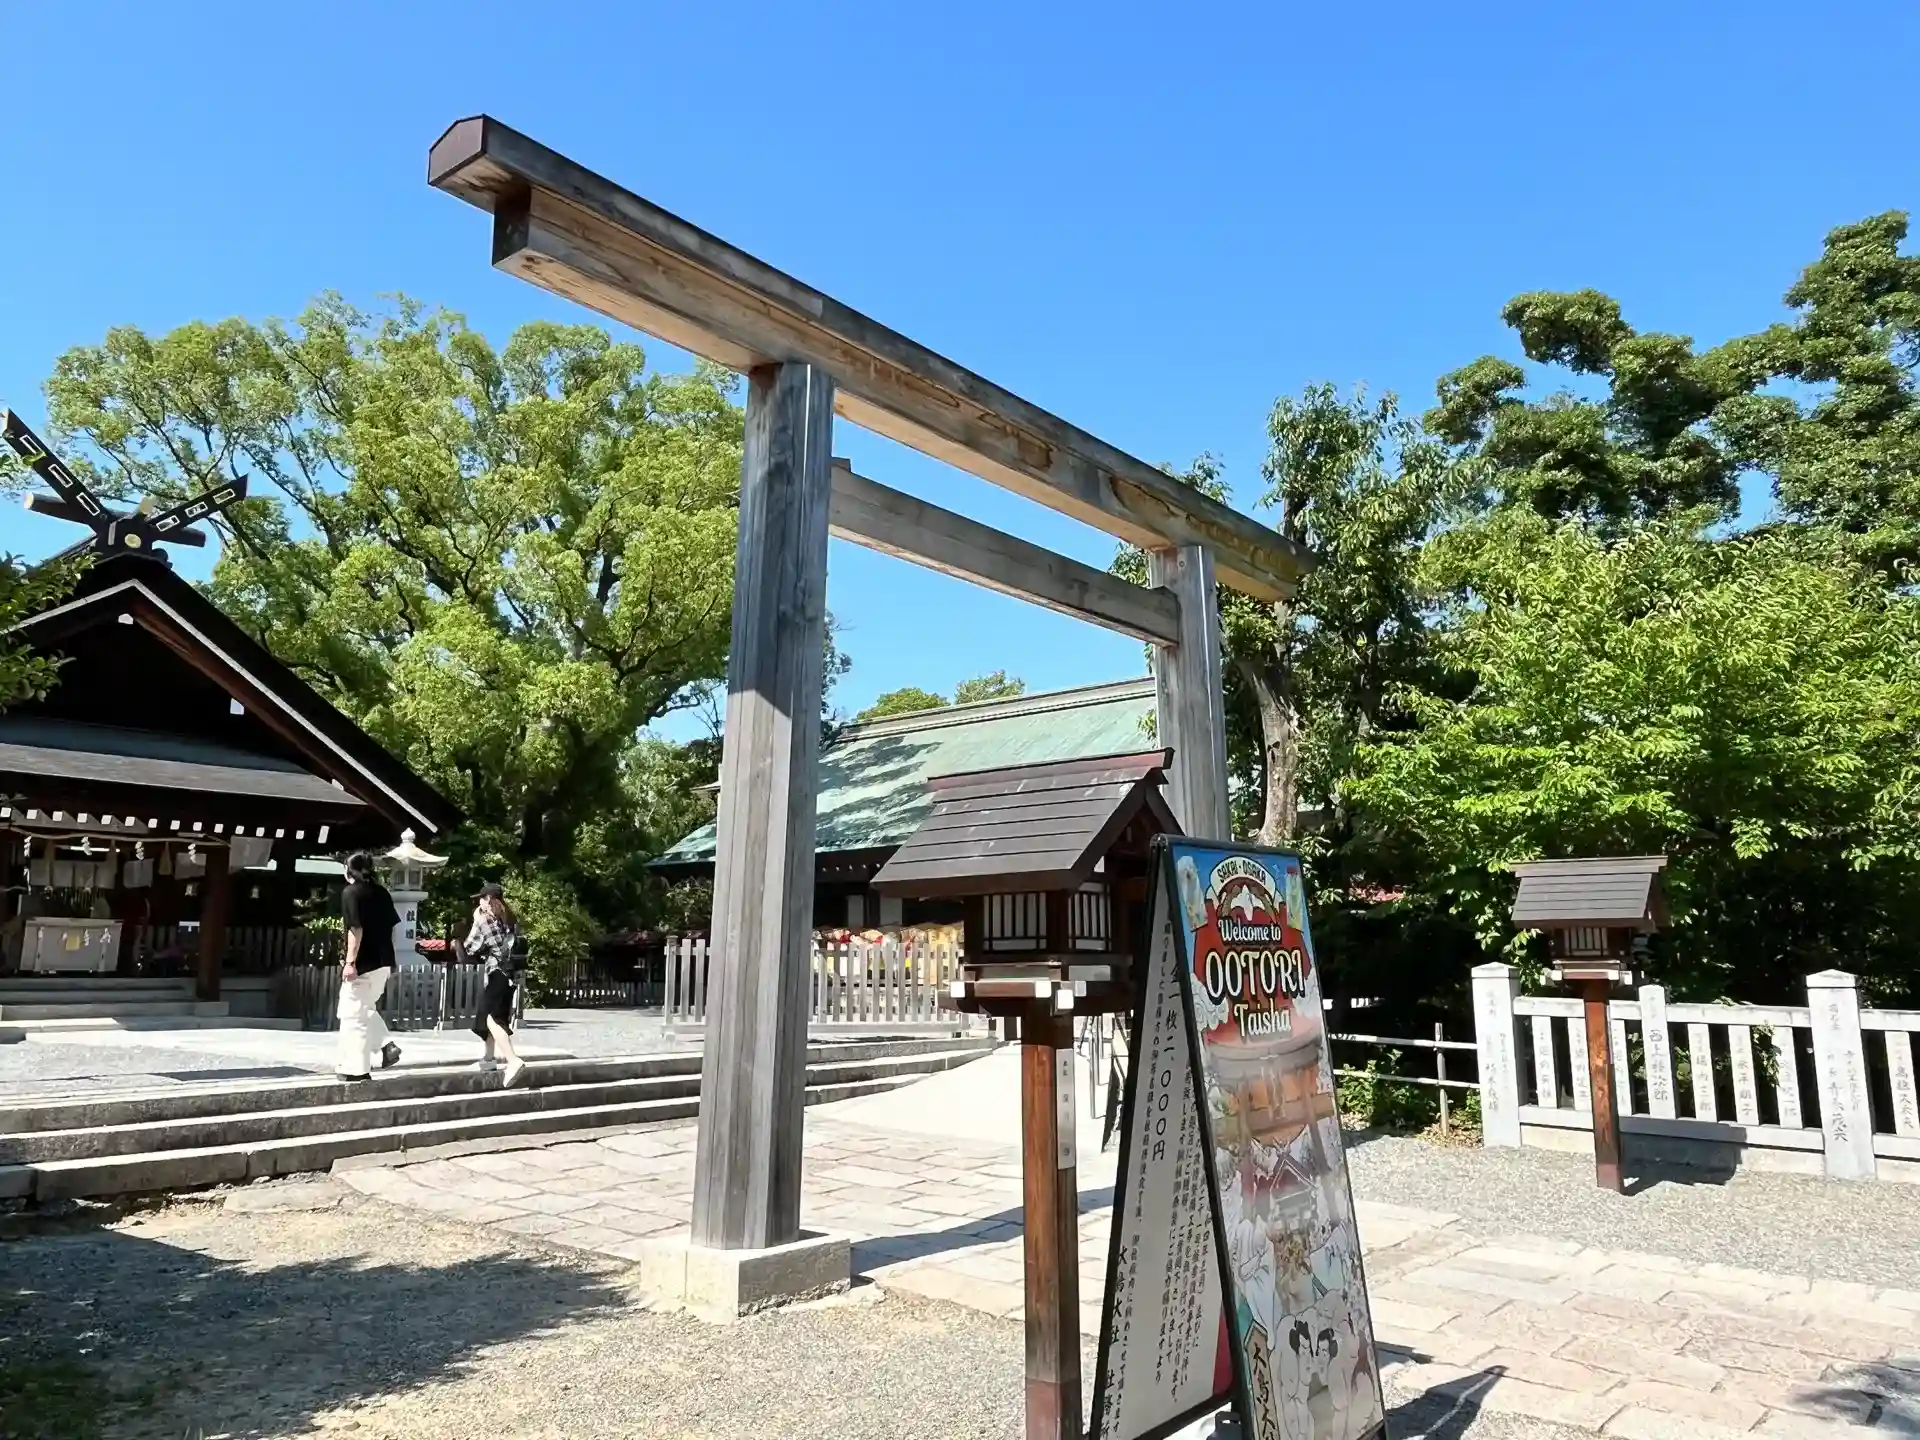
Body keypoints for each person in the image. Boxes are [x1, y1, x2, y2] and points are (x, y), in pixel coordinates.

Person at [337, 852, 402, 1082]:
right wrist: (391, 959)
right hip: (382, 962)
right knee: (362, 1010)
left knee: (353, 1017)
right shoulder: (382, 892)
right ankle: (386, 1045)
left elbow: (355, 929)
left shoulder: (351, 893)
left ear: (349, 870)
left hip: (363, 963)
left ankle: (357, 1069)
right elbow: (393, 928)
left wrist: (350, 962)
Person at [466, 882, 527, 1087]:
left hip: (497, 974)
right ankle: (488, 1059)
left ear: (489, 899)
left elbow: (470, 947)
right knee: (488, 1014)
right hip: (509, 975)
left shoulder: (485, 920)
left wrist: (476, 921)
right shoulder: (508, 918)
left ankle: (513, 1060)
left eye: (482, 898)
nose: (479, 902)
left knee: (492, 1019)